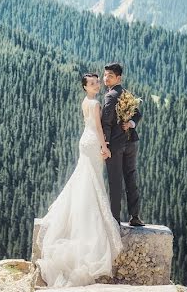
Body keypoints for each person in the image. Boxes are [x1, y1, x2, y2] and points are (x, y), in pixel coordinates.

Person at [35, 72, 124, 287]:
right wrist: (105, 147)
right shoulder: (93, 103)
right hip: (93, 141)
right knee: (91, 180)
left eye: (96, 83)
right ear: (85, 87)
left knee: (85, 178)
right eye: (92, 84)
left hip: (85, 140)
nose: (96, 86)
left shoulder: (87, 101)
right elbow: (99, 127)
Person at [101, 62, 144, 226]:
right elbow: (137, 114)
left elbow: (107, 122)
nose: (106, 78)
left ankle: (115, 220)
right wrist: (131, 124)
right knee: (131, 177)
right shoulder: (127, 94)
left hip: (116, 144)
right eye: (105, 75)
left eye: (110, 76)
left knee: (115, 181)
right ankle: (135, 216)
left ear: (119, 77)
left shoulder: (110, 96)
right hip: (131, 142)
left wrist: (104, 144)